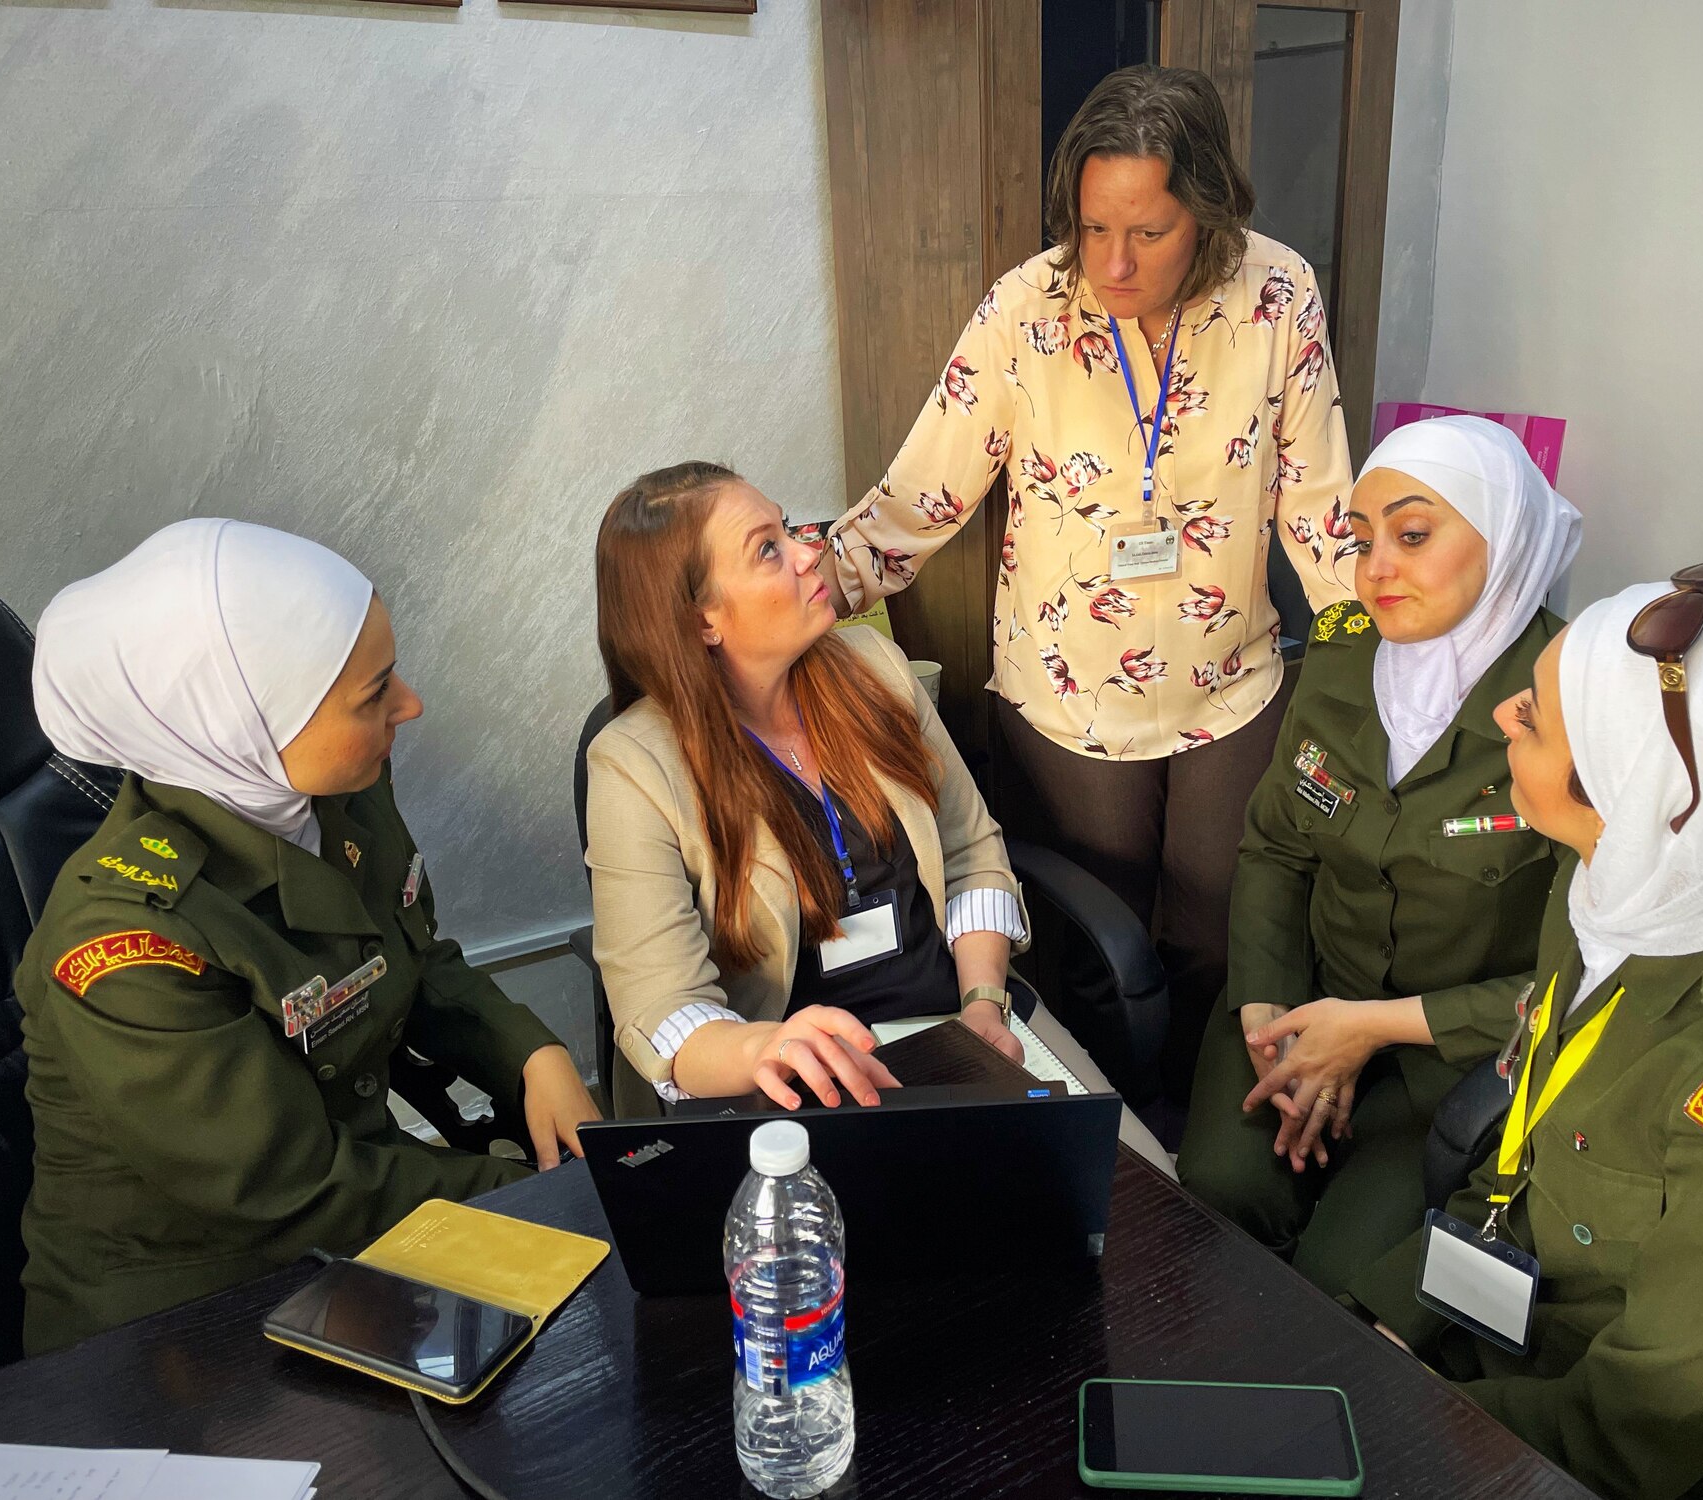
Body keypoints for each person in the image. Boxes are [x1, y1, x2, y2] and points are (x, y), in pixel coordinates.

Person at [1251, 569, 1703, 1499]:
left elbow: (1637, 1433)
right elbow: (1518, 1176)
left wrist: (1386, 1412)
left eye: (1532, 718)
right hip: (1518, 1353)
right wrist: (1384, 1329)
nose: (1502, 719)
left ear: (1641, 795)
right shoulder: (1621, 899)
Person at [823, 64, 1355, 1103]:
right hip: (1068, 695)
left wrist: (1384, 661)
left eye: (1146, 233)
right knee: (1086, 956)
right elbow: (919, 497)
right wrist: (799, 588)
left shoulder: (1276, 294)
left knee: (1216, 947)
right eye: (1090, 228)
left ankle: (1204, 1158)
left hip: (1229, 687)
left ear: (1204, 212)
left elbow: (1318, 506)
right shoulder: (1025, 311)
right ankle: (1103, 1155)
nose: (1110, 262)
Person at [17, 518, 599, 1355]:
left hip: (355, 1231)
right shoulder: (128, 942)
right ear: (240, 723)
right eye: (374, 694)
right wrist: (533, 1199)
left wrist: (530, 1055)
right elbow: (294, 1189)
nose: (411, 705)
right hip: (183, 1331)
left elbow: (412, 958)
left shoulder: (332, 793)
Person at [1175, 415, 1579, 1294]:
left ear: (1503, 537)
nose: (1375, 570)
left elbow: (1578, 983)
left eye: (1414, 534)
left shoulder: (1569, 707)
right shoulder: (1345, 649)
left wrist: (1367, 1034)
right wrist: (1267, 1019)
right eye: (1361, 541)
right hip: (1302, 995)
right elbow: (1278, 846)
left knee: (1345, 1279)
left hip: (1455, 1056)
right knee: (1216, 1192)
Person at [585, 462, 1030, 1111]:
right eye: (769, 548)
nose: (810, 550)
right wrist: (766, 1049)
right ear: (702, 621)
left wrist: (984, 1004)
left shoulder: (877, 669)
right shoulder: (633, 766)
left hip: (954, 1033)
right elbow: (665, 1007)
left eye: (788, 528)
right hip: (797, 1088)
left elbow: (970, 853)